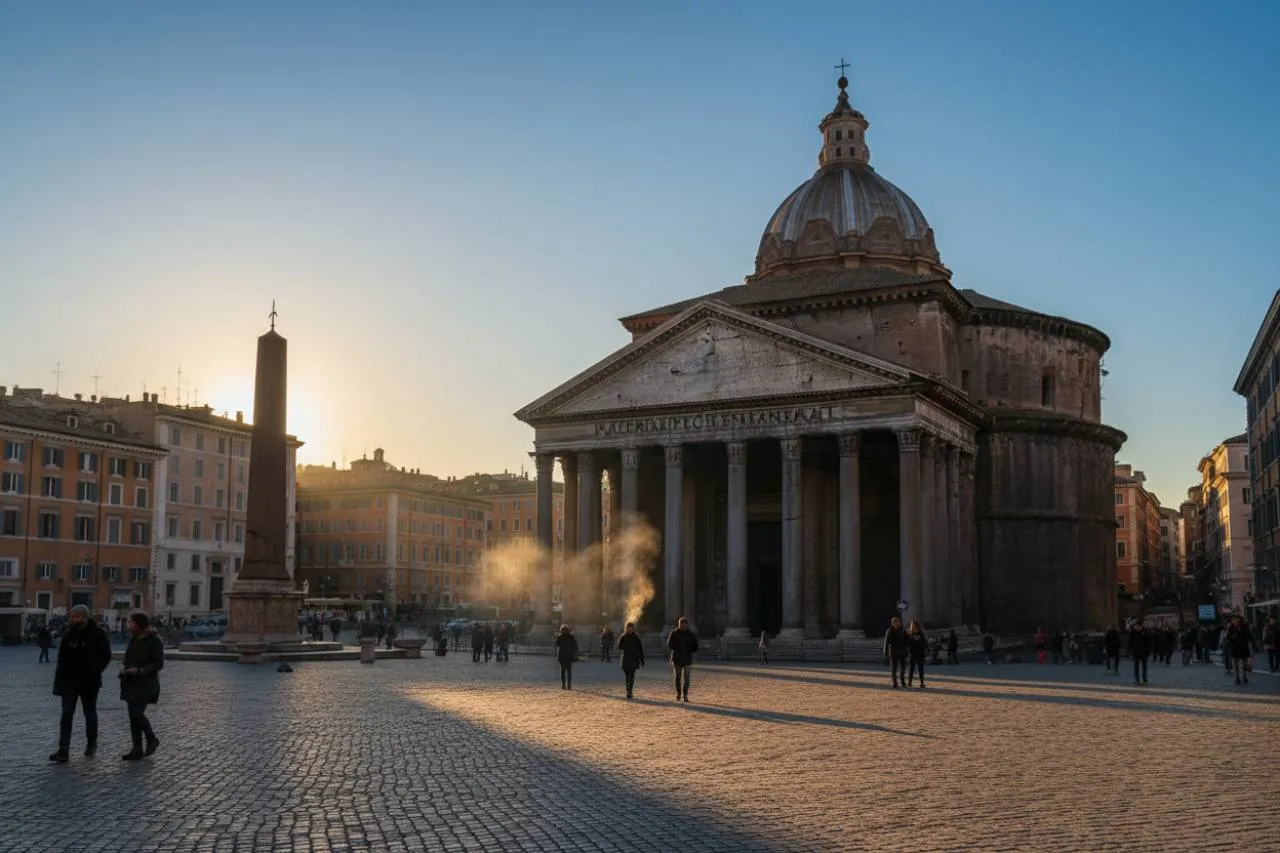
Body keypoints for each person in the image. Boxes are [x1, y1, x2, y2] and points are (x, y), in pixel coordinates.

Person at [49, 604, 113, 763]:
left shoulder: (98, 634)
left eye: (76, 616)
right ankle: (63, 749)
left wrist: (94, 671)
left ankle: (91, 743)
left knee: (89, 713)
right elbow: (62, 659)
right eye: (71, 616)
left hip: (89, 681)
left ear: (84, 618)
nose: (72, 619)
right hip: (69, 681)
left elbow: (106, 656)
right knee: (66, 714)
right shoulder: (69, 634)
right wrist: (59, 681)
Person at [118, 612, 165, 761]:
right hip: (131, 681)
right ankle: (137, 748)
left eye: (131, 622)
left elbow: (158, 663)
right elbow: (129, 657)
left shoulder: (154, 640)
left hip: (146, 683)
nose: (129, 625)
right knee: (133, 716)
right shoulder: (134, 639)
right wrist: (125, 669)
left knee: (137, 714)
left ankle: (151, 738)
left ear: (138, 624)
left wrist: (140, 670)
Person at [666, 616, 698, 703]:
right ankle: (679, 694)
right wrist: (677, 650)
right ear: (678, 624)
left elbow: (695, 646)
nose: (683, 626)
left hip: (687, 659)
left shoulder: (691, 635)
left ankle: (685, 695)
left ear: (687, 625)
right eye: (681, 624)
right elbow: (669, 644)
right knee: (678, 678)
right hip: (677, 659)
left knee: (687, 678)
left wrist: (690, 649)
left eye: (684, 624)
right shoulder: (674, 633)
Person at [616, 622, 645, 699]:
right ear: (626, 628)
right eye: (628, 627)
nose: (629, 629)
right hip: (625, 659)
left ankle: (629, 691)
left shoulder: (636, 637)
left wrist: (642, 659)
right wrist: (623, 643)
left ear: (633, 628)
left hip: (633, 659)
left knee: (631, 676)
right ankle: (628, 689)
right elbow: (619, 646)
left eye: (631, 627)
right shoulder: (623, 637)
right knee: (627, 676)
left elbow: (640, 649)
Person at [884, 616, 908, 687]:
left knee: (903, 668)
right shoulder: (889, 630)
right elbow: (886, 642)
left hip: (902, 651)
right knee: (894, 668)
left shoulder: (902, 630)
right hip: (893, 652)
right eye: (897, 622)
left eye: (899, 622)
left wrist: (906, 651)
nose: (899, 624)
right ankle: (895, 683)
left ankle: (903, 683)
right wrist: (886, 653)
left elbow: (906, 641)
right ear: (893, 623)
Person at [1229, 615, 1253, 686]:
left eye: (1236, 620)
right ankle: (1237, 678)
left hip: (1243, 648)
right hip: (1235, 648)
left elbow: (1249, 637)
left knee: (1244, 664)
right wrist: (1235, 633)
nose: (1235, 621)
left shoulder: (1244, 627)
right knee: (1235, 665)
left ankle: (1244, 676)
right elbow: (1229, 637)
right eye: (1234, 620)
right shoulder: (1231, 627)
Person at [555, 625, 579, 689]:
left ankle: (563, 684)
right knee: (569, 671)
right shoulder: (571, 637)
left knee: (562, 671)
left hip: (562, 655)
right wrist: (575, 654)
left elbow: (556, 644)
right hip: (569, 655)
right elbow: (575, 646)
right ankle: (569, 685)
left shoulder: (560, 637)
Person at [906, 620, 928, 688]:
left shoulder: (921, 633)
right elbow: (908, 643)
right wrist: (913, 639)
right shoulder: (909, 634)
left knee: (921, 668)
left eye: (915, 626)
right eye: (912, 626)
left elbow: (924, 643)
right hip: (912, 654)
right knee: (911, 669)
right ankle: (909, 682)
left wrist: (920, 640)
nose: (914, 627)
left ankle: (922, 683)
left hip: (920, 653)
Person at [1128, 620, 1151, 685]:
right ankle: (1137, 679)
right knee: (1136, 665)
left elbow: (1148, 642)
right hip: (1136, 651)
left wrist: (1148, 650)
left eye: (1139, 626)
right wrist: (1129, 650)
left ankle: (1144, 678)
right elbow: (1130, 642)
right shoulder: (1133, 632)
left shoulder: (1144, 632)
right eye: (1136, 626)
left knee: (1144, 666)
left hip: (1144, 651)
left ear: (1141, 626)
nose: (1137, 627)